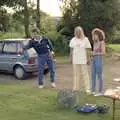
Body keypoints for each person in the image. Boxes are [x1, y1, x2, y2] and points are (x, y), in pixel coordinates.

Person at [69, 26, 91, 93]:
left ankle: (88, 89)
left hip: (83, 60)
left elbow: (88, 50)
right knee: (76, 74)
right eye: (76, 32)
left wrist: (88, 59)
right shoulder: (73, 40)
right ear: (75, 32)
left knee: (85, 74)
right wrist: (71, 58)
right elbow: (71, 50)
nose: (78, 33)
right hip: (75, 60)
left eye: (79, 32)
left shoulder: (86, 39)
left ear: (81, 32)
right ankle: (76, 88)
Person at [91, 28, 106, 96]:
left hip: (99, 60)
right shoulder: (94, 43)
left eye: (95, 35)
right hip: (93, 59)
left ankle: (100, 92)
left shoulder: (102, 42)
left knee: (99, 76)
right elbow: (94, 52)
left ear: (99, 35)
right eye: (93, 35)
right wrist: (92, 54)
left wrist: (95, 53)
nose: (94, 36)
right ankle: (93, 90)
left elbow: (103, 52)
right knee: (93, 75)